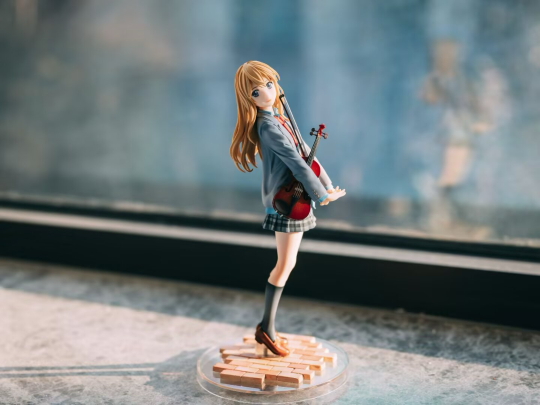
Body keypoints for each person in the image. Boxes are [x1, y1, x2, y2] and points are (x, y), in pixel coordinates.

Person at [229, 61, 346, 356]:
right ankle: (265, 328)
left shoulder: (280, 119)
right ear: (249, 98)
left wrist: (327, 185)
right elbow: (297, 164)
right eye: (257, 92)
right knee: (284, 264)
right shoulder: (268, 126)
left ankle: (267, 327)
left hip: (297, 197)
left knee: (286, 264)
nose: (268, 93)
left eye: (269, 85)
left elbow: (307, 155)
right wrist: (320, 194)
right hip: (286, 202)